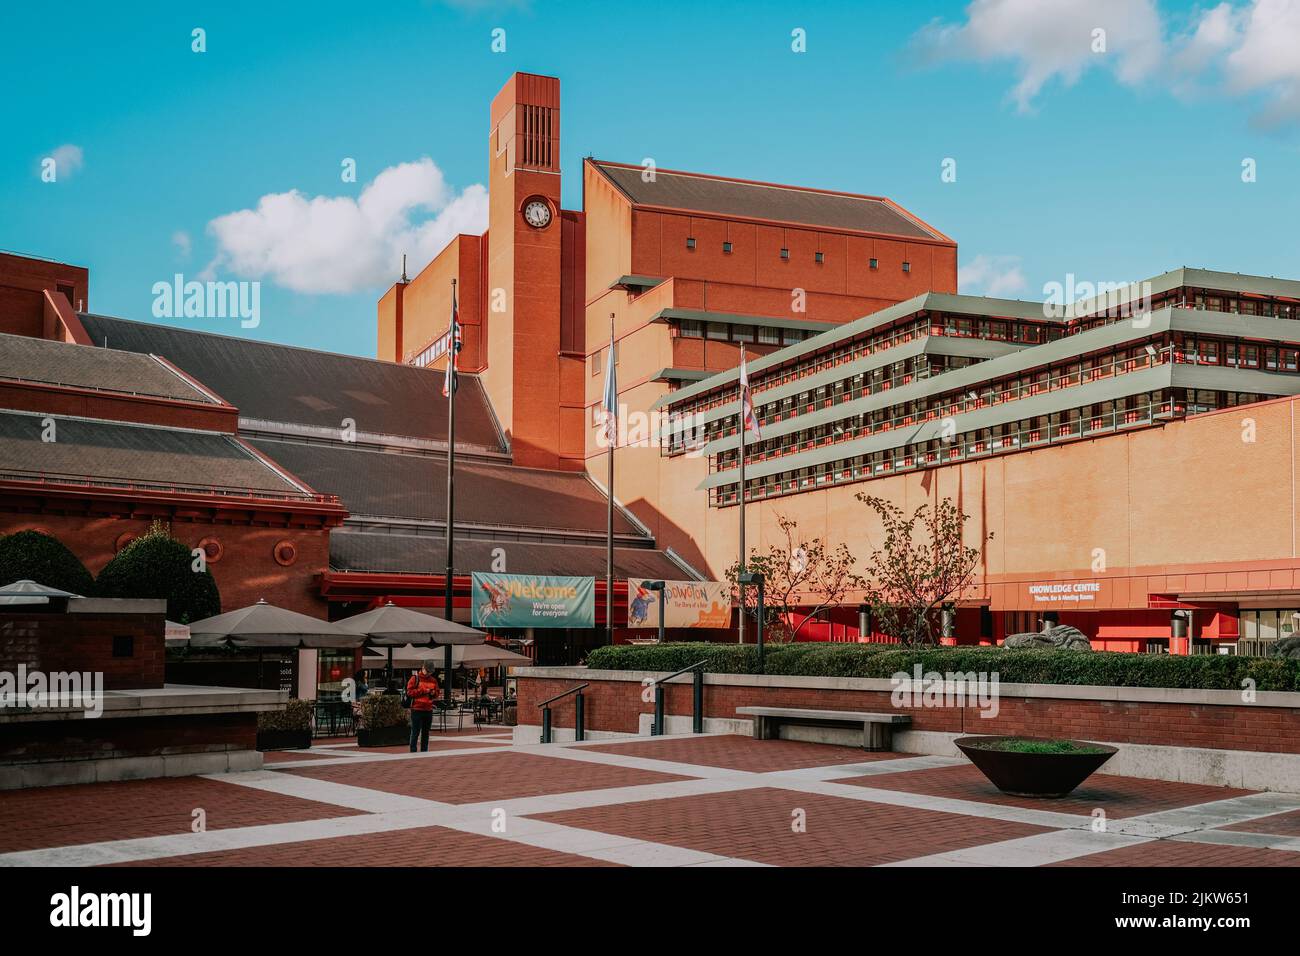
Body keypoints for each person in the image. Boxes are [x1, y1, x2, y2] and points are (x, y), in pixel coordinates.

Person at [406, 662, 441, 752]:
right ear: (423, 668)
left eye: (431, 672)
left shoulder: (433, 680)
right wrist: (423, 690)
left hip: (428, 709)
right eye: (428, 671)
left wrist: (434, 693)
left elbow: (437, 693)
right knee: (415, 732)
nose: (429, 673)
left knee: (426, 733)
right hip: (416, 709)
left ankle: (424, 750)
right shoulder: (415, 678)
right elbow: (409, 692)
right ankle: (413, 750)